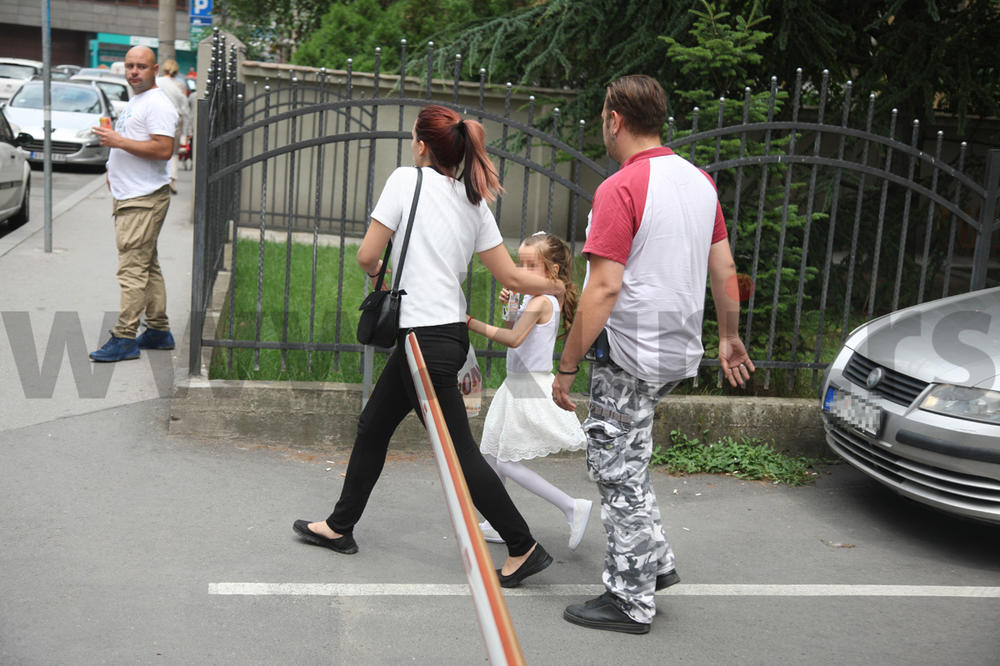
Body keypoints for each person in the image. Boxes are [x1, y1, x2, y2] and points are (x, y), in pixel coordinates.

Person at [294, 105, 565, 588]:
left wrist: (381, 277)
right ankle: (340, 526)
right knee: (374, 425)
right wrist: (556, 288)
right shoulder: (474, 201)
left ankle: (522, 546)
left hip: (424, 340)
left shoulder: (406, 180)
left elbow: (366, 255)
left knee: (459, 451)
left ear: (422, 145)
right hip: (439, 336)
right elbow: (506, 274)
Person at [552, 75, 755, 634]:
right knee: (631, 457)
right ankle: (656, 563)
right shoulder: (698, 184)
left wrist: (567, 365)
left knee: (614, 468)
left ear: (614, 119)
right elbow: (724, 272)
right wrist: (729, 336)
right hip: (676, 350)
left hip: (629, 351)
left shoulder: (622, 187)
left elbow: (602, 290)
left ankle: (630, 599)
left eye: (602, 118)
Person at [466, 232, 592, 550]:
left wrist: (468, 322)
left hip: (529, 386)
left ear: (551, 270)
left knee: (505, 461)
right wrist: (510, 309)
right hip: (516, 384)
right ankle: (498, 522)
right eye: (519, 264)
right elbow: (515, 330)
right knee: (492, 455)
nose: (521, 271)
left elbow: (513, 340)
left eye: (530, 265)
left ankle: (571, 506)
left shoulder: (540, 300)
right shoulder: (531, 297)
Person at [89, 45, 178, 362]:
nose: (134, 71)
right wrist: (112, 165)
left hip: (142, 200)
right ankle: (157, 331)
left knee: (132, 271)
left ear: (155, 70)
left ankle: (124, 337)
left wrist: (117, 141)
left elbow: (163, 149)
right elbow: (136, 144)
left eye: (141, 66)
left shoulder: (157, 104)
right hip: (131, 196)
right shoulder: (139, 100)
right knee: (147, 266)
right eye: (129, 66)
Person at [155, 58, 190, 194]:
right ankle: (172, 178)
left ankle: (158, 178)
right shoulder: (179, 86)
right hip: (175, 121)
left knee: (157, 148)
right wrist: (186, 132)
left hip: (158, 119)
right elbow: (185, 109)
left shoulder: (157, 82)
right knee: (173, 152)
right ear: (176, 71)